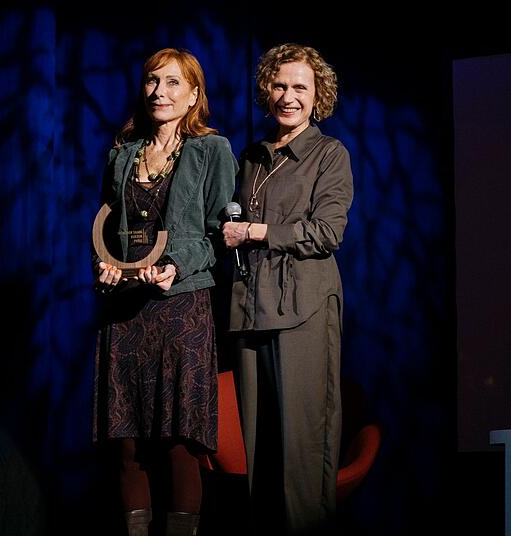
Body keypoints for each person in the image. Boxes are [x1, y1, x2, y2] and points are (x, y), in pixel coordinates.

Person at [93, 48, 237, 536]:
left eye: (173, 82)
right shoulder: (122, 155)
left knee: (179, 439)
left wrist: (176, 265)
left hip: (182, 307)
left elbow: (220, 233)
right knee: (127, 440)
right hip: (126, 310)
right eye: (153, 81)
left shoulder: (211, 151)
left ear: (194, 94)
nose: (160, 92)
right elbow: (107, 228)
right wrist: (104, 268)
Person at [222, 43, 354, 535]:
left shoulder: (329, 154)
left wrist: (255, 232)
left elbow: (327, 233)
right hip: (250, 310)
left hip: (304, 309)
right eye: (279, 85)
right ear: (266, 90)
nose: (288, 96)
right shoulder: (252, 157)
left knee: (302, 450)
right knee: (259, 452)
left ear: (318, 96)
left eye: (300, 87)